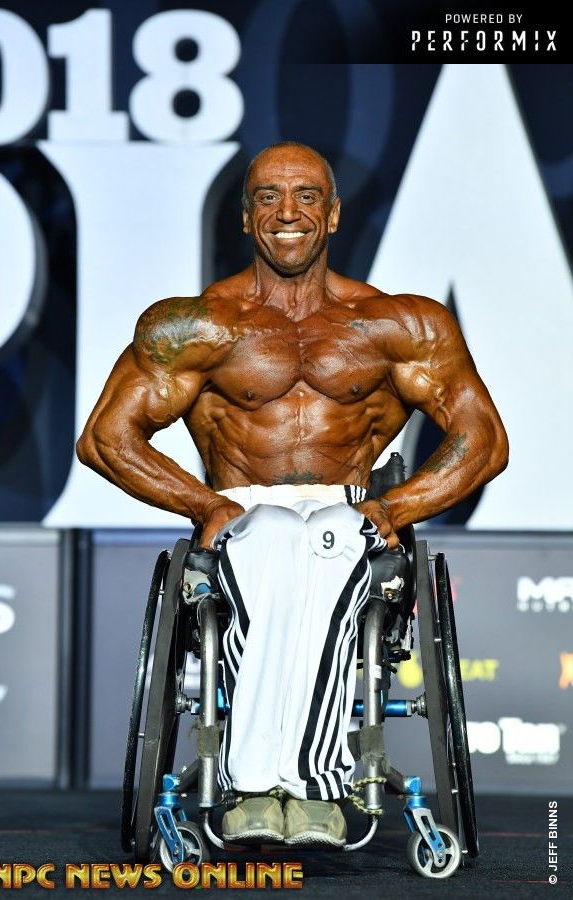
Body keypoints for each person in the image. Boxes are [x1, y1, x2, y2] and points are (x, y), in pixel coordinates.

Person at [77, 142, 508, 847]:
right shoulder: (197, 325)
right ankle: (295, 785)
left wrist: (396, 507)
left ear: (332, 214)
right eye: (268, 197)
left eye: (306, 196)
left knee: (327, 535)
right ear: (246, 218)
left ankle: (278, 783)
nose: (287, 212)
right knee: (275, 534)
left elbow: (482, 438)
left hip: (351, 509)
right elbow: (104, 438)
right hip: (244, 510)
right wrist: (205, 506)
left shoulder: (399, 324)